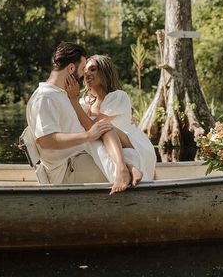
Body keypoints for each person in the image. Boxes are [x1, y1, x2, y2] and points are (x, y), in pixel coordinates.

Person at [26, 42, 141, 193]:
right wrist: (88, 135)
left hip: (78, 158)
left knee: (105, 128)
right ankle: (125, 170)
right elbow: (46, 141)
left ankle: (124, 168)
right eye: (82, 69)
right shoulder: (45, 97)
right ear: (71, 68)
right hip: (66, 170)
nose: (83, 75)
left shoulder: (61, 95)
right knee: (130, 154)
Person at [64, 54, 156, 186]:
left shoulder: (118, 96)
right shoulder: (84, 102)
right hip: (107, 141)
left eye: (93, 69)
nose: (87, 73)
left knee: (102, 127)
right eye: (85, 71)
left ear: (105, 71)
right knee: (93, 138)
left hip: (129, 141)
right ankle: (129, 168)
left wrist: (72, 100)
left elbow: (93, 128)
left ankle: (123, 171)